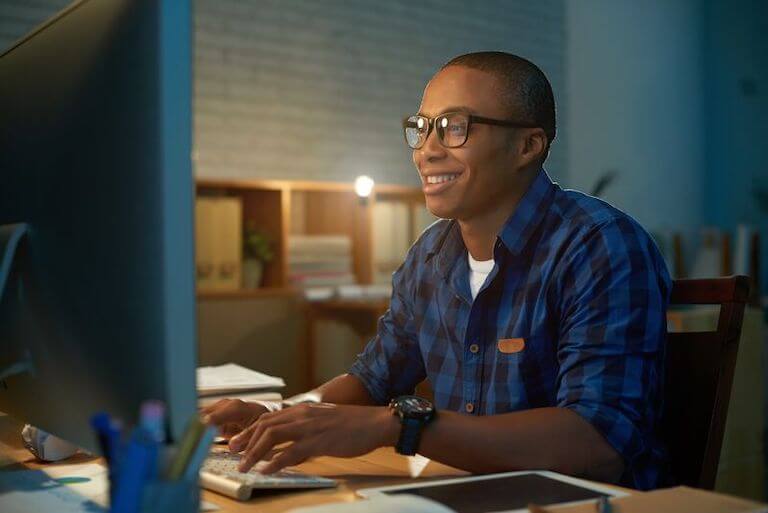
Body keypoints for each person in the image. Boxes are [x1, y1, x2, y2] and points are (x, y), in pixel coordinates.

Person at [202, 51, 671, 490]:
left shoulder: (598, 245)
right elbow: (371, 382)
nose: (425, 150)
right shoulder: (430, 257)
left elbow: (598, 442)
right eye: (422, 128)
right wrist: (276, 415)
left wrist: (401, 425)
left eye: (453, 127)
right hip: (464, 495)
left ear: (528, 145)